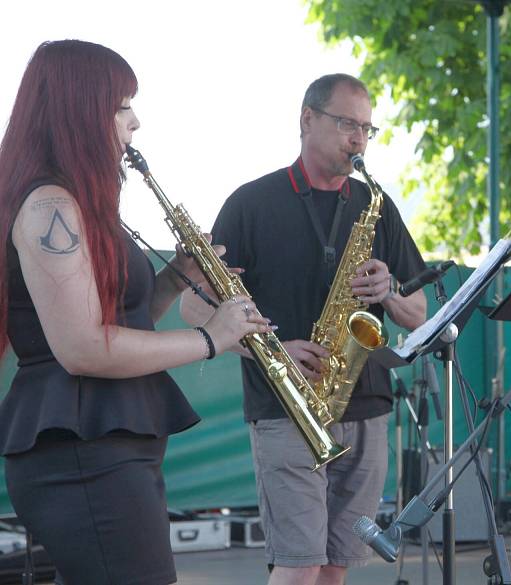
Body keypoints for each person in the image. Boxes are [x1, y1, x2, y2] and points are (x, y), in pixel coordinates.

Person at [0, 40, 269, 585]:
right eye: (122, 105)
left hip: (103, 446)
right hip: (82, 453)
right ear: (81, 110)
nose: (135, 122)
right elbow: (82, 347)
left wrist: (174, 281)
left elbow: (116, 319)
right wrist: (211, 337)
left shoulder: (72, 199)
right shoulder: (50, 205)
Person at [181, 73, 427, 585]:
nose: (358, 139)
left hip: (366, 409)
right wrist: (269, 351)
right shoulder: (250, 204)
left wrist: (390, 293)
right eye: (346, 124)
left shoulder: (375, 205)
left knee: (335, 567)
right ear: (306, 119)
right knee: (299, 567)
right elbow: (192, 306)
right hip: (286, 407)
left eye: (367, 128)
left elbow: (419, 312)